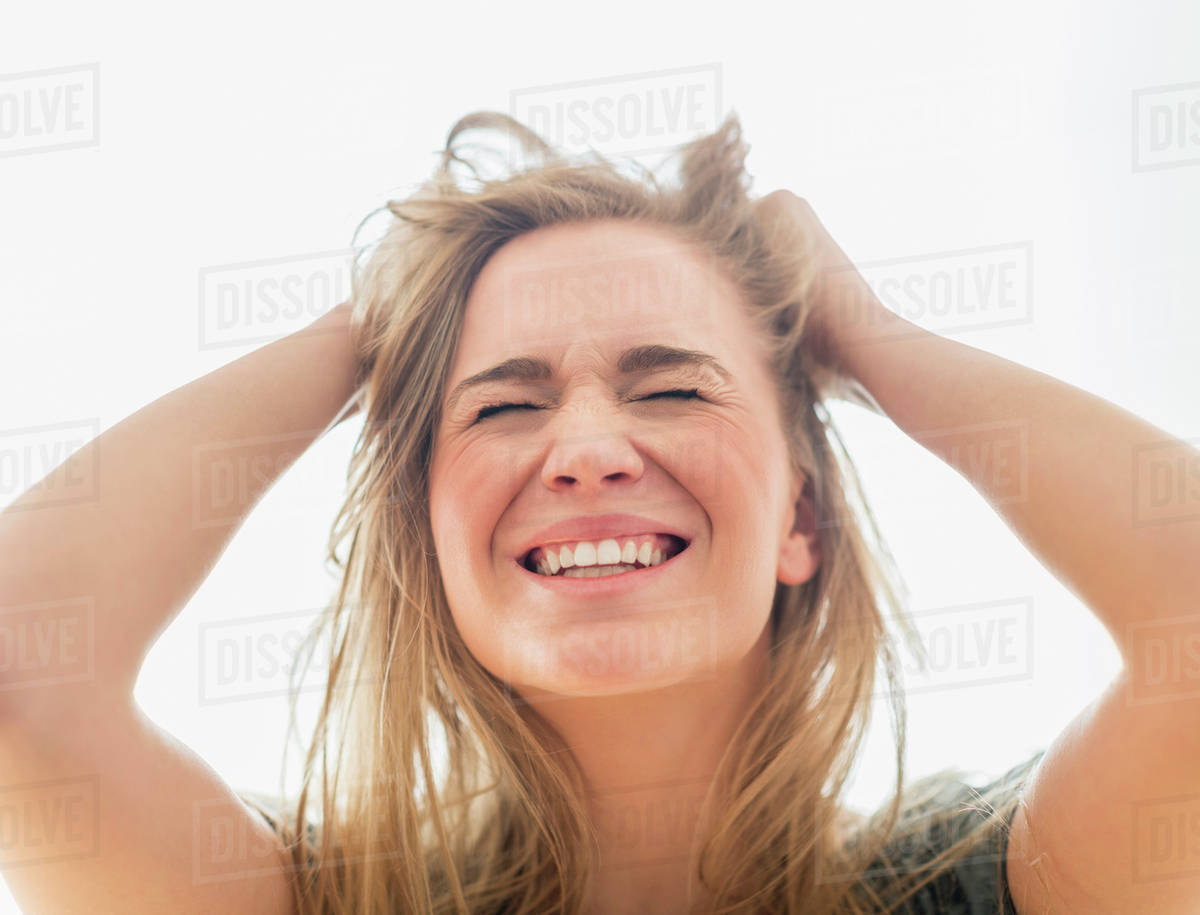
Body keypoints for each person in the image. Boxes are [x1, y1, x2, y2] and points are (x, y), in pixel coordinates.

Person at [1, 109, 1197, 914]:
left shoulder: (990, 884)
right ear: (427, 538)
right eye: (502, 410)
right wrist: (363, 333)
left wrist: (872, 334)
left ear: (803, 523)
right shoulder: (320, 899)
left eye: (672, 385)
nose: (584, 449)